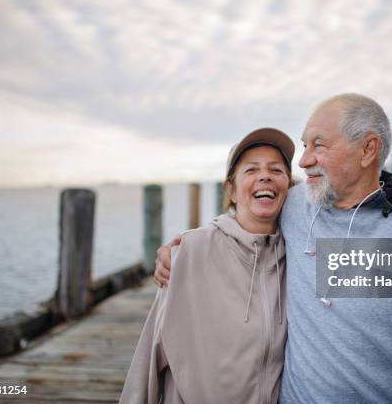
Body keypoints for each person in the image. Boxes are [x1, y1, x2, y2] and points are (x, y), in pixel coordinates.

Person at [155, 94, 392, 403]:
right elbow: (245, 215)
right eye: (304, 145)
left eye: (319, 146)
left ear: (368, 150)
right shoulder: (295, 206)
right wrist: (185, 246)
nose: (304, 160)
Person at [120, 128, 294, 403]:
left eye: (276, 169)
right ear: (231, 190)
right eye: (251, 170)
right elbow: (150, 352)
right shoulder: (190, 250)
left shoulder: (299, 255)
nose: (265, 176)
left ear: (289, 187)